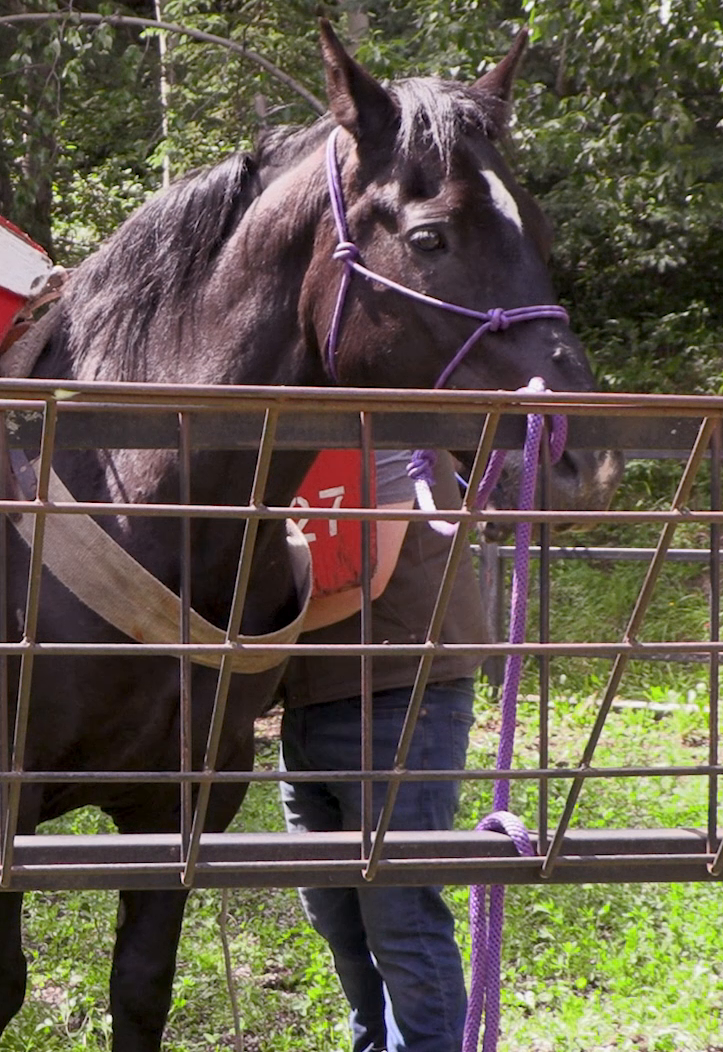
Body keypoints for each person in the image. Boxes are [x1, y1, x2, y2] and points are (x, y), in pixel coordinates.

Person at [278, 447, 490, 1052]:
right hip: (309, 694)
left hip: (403, 687)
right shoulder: (283, 424)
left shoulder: (391, 426)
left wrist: (226, 634)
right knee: (335, 914)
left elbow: (364, 574)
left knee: (400, 914)